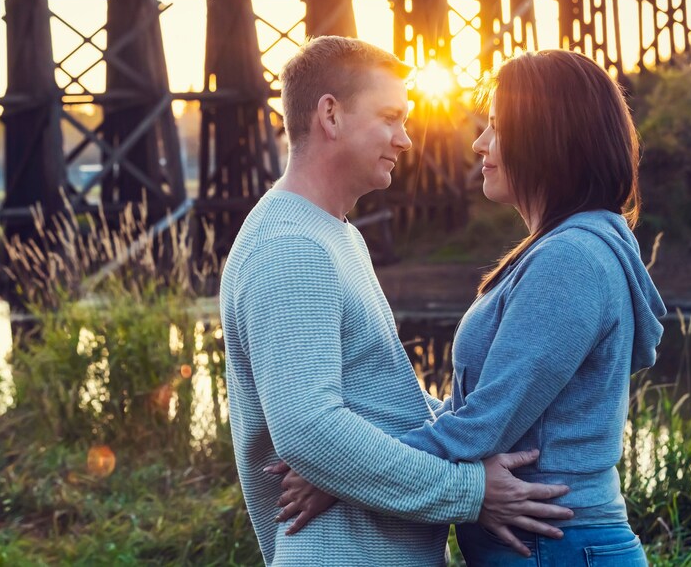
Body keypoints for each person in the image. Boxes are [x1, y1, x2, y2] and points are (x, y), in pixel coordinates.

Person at [275, 49, 667, 565]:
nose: (480, 143)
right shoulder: (563, 249)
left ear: (549, 137)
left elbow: (486, 422)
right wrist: (353, 458)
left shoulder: (571, 258)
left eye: (498, 128)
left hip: (559, 547)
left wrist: (340, 476)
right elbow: (473, 412)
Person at [218, 36, 574, 566]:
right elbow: (309, 431)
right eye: (390, 117)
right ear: (331, 116)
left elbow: (383, 406)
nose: (405, 139)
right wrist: (472, 492)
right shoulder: (289, 248)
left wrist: (476, 439)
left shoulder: (333, 234)